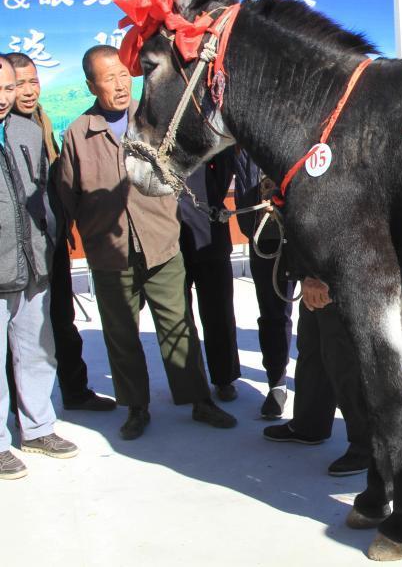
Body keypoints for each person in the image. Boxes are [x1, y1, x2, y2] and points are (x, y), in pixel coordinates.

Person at [56, 45, 235, 440]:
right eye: (109, 79)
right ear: (91, 85)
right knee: (121, 334)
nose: (119, 86)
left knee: (178, 325)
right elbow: (67, 195)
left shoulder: (152, 119)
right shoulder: (78, 134)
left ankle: (199, 400)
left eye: (124, 75)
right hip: (109, 252)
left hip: (161, 241)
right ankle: (136, 407)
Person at [6, 52, 115, 412]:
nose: (26, 91)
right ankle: (17, 412)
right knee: (18, 336)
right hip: (15, 250)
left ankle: (75, 389)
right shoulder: (10, 130)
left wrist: (64, 223)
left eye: (32, 81)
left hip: (50, 241)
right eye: (17, 84)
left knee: (61, 318)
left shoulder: (41, 122)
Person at [0, 55, 79, 480]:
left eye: (9, 89)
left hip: (33, 264)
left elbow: (43, 197)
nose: (5, 97)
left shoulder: (28, 130)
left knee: (35, 351)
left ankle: (38, 428)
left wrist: (48, 242)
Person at [263, 277, 370, 477]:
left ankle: (368, 443)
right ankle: (309, 424)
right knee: (312, 345)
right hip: (314, 265)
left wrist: (322, 278)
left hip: (339, 269)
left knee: (344, 356)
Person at [233, 147, 295, 418]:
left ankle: (332, 388)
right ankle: (277, 384)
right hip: (264, 236)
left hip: (306, 233)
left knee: (325, 317)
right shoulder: (242, 140)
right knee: (272, 315)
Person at [178, 148, 241, 402]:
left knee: (219, 313)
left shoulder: (208, 126)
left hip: (209, 229)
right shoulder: (157, 125)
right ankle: (187, 380)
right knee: (178, 317)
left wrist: (210, 199)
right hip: (170, 236)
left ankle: (224, 378)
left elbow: (225, 166)